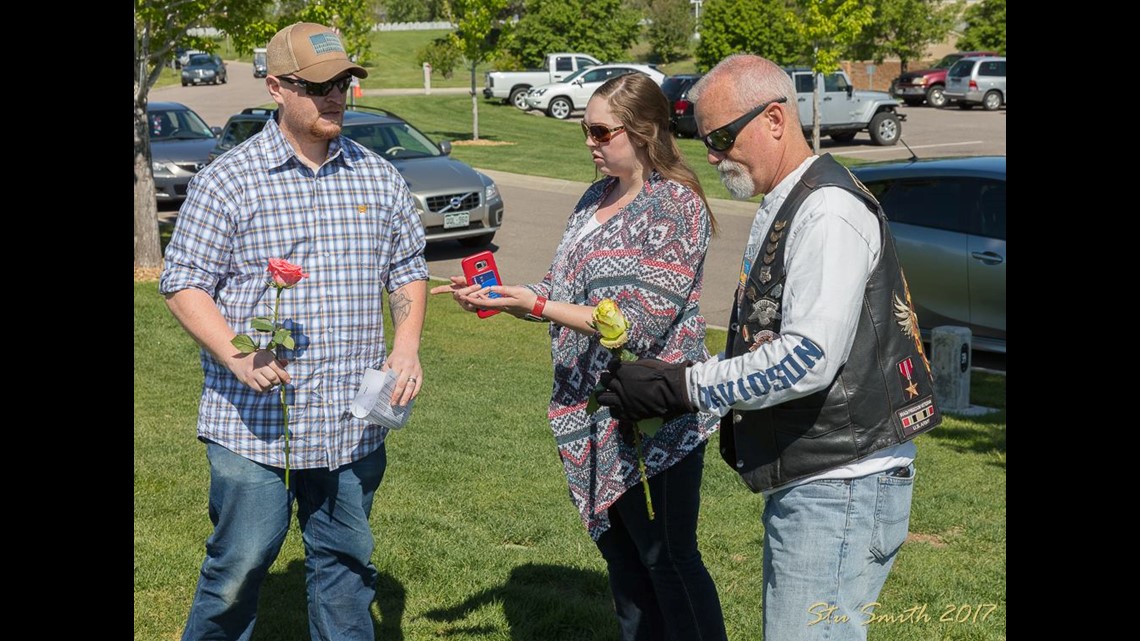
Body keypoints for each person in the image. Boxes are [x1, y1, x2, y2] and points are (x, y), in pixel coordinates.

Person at [595, 54, 942, 641]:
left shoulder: (827, 209)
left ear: (776, 119)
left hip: (842, 485)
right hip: (825, 483)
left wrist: (682, 387)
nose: (712, 154)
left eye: (724, 137)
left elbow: (806, 357)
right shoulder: (791, 198)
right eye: (704, 139)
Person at [431, 73, 728, 641]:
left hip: (656, 417)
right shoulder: (594, 197)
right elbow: (560, 292)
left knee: (668, 558)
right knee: (625, 562)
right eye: (584, 130)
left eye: (599, 131)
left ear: (642, 131)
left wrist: (539, 304)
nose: (589, 143)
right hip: (592, 414)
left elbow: (637, 323)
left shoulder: (675, 205)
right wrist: (504, 298)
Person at [158, 22, 428, 641]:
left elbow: (408, 270)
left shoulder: (377, 176)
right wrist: (236, 356)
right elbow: (184, 283)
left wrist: (406, 346)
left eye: (343, 83)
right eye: (317, 86)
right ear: (277, 87)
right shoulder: (230, 179)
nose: (334, 97)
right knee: (239, 567)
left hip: (350, 422)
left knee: (346, 566)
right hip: (254, 419)